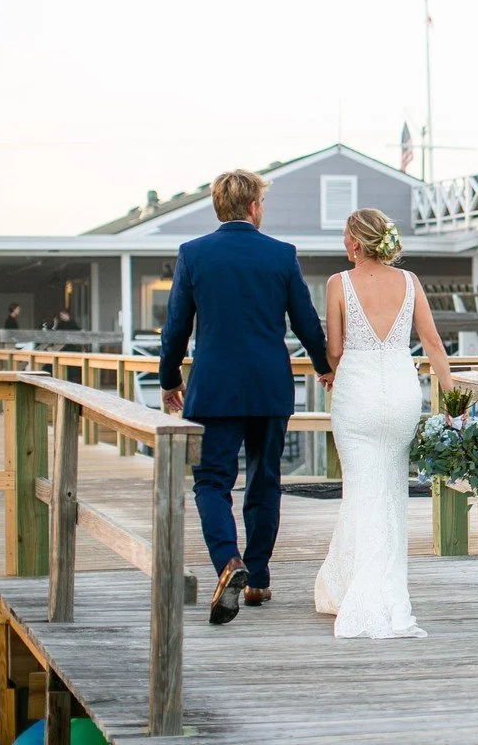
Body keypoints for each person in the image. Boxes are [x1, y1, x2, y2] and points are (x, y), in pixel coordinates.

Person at [159, 170, 333, 626]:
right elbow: (305, 321)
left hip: (213, 389)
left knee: (212, 481)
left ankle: (228, 563)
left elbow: (176, 325)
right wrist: (324, 365)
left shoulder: (193, 254)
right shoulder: (280, 254)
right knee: (264, 478)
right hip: (269, 386)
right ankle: (256, 578)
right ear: (254, 207)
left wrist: (168, 377)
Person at [314, 209, 452, 639]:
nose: (342, 243)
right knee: (389, 488)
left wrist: (331, 368)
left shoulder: (338, 284)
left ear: (356, 244)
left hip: (356, 395)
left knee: (360, 487)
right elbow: (432, 344)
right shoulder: (409, 283)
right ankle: (372, 583)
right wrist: (454, 402)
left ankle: (366, 593)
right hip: (400, 395)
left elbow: (334, 349)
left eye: (344, 237)